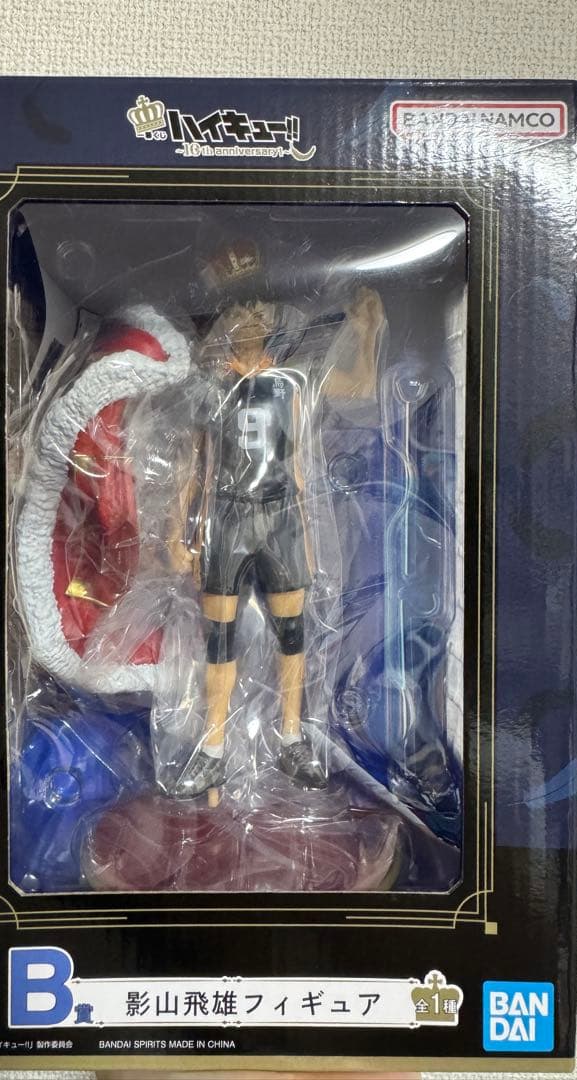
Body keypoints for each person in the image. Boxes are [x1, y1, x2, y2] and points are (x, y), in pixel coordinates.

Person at [168, 257, 386, 800]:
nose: (249, 315)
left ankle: (291, 738)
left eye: (257, 306)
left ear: (271, 317)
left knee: (293, 634)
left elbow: (361, 388)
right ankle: (213, 749)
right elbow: (192, 466)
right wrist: (180, 531)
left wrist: (368, 331)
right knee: (219, 640)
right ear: (225, 317)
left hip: (281, 512)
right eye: (238, 307)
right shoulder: (210, 385)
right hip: (226, 515)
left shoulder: (295, 378)